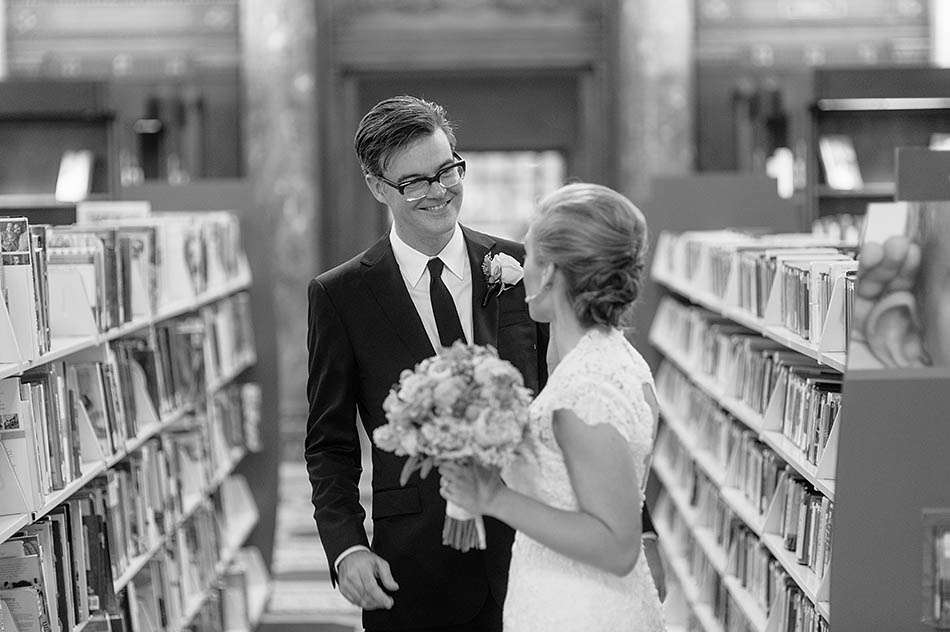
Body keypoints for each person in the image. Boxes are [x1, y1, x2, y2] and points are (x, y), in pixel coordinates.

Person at [305, 95, 547, 631]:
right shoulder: (340, 295)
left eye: (446, 170)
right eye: (414, 181)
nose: (439, 191)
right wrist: (347, 547)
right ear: (377, 187)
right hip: (415, 567)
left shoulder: (520, 268)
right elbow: (330, 445)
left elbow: (567, 402)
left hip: (535, 551)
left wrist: (637, 527)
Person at [439, 183, 666, 631]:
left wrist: (492, 498)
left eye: (527, 255)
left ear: (550, 273)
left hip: (579, 610)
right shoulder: (612, 357)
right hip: (572, 594)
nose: (520, 268)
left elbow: (618, 547)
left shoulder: (584, 394)